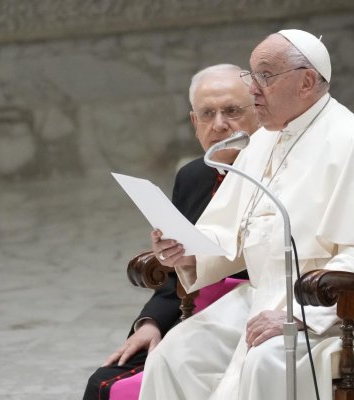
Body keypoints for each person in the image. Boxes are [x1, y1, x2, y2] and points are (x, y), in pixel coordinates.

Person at [142, 29, 354, 400]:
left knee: (269, 359)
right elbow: (234, 228)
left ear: (307, 81)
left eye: (265, 76)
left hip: (348, 306)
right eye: (252, 75)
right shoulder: (264, 138)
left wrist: (298, 313)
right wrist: (189, 252)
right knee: (177, 352)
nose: (252, 89)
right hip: (268, 295)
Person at [82, 63, 259, 400]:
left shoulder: (275, 175)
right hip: (191, 316)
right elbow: (172, 279)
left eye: (232, 111)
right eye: (208, 114)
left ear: (258, 113)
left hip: (247, 321)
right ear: (195, 124)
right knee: (103, 383)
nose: (220, 125)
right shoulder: (193, 177)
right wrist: (151, 322)